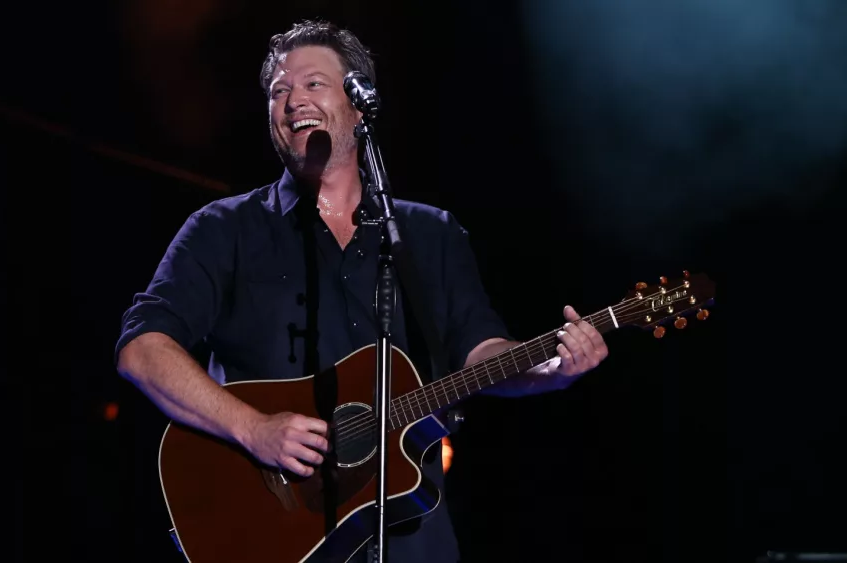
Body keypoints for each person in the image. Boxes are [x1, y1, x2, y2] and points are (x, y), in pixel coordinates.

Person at [114, 19, 609, 563]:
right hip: (274, 537)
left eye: (312, 84)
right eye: (279, 91)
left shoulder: (429, 234)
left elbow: (479, 351)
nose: (292, 100)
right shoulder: (223, 229)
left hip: (410, 536)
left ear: (359, 103)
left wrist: (550, 367)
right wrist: (253, 428)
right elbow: (144, 350)